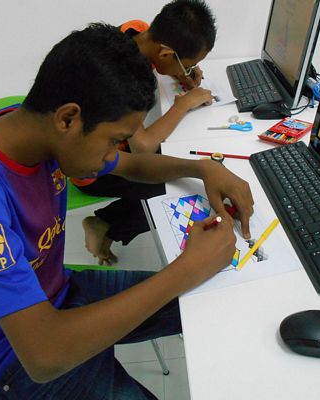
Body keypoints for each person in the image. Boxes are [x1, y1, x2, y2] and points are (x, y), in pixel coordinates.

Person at [0, 23, 253, 399]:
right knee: (191, 279)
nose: (114, 155)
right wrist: (186, 269)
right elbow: (44, 356)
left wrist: (203, 168)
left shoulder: (38, 131)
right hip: (15, 356)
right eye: (114, 141)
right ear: (68, 118)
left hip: (60, 293)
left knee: (216, 295)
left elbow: (134, 165)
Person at [74, 0, 220, 265]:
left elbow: (161, 60)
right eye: (187, 65)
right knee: (178, 186)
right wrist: (184, 103)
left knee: (181, 163)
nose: (188, 71)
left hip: (107, 141)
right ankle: (106, 224)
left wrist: (182, 74)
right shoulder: (122, 78)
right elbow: (142, 147)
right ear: (165, 53)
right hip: (91, 167)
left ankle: (107, 221)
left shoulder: (137, 30)